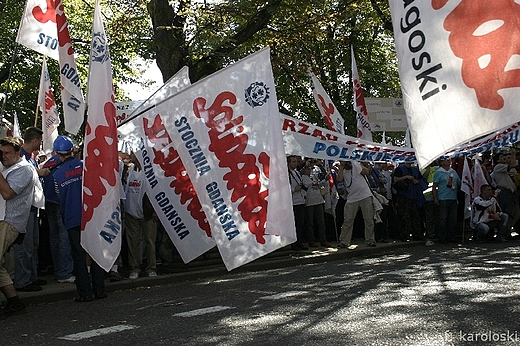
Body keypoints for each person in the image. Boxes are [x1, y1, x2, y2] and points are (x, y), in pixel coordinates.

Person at [52, 136, 106, 302]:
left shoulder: (57, 174)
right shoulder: (86, 166)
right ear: (72, 150)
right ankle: (100, 290)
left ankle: (85, 292)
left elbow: (58, 196)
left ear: (56, 153)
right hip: (91, 215)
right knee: (95, 252)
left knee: (78, 255)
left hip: (72, 217)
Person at [0, 137, 38, 317]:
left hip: (9, 221)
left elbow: (7, 193)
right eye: (1, 153)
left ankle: (15, 301)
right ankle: (14, 301)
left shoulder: (24, 169)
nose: (3, 157)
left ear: (17, 153)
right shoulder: (7, 168)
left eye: (7, 153)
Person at [15, 127, 48, 292]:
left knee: (33, 244)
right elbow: (20, 174)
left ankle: (32, 276)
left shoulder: (31, 158)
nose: (41, 143)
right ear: (35, 140)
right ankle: (22, 280)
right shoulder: (19, 156)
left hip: (34, 206)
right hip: (24, 208)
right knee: (24, 245)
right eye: (40, 140)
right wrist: (39, 172)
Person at [41, 154, 75, 283]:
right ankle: (64, 272)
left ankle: (58, 269)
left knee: (55, 238)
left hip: (49, 201)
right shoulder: (66, 166)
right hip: (60, 203)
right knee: (63, 238)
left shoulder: (49, 162)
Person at [125, 152, 158, 279]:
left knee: (150, 241)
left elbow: (156, 191)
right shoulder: (128, 171)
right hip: (131, 212)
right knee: (132, 242)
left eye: (133, 154)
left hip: (147, 212)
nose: (130, 155)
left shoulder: (150, 172)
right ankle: (134, 268)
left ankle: (151, 267)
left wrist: (155, 210)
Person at [336, 161, 376, 248]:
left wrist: (356, 163)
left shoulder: (356, 165)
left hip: (365, 195)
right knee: (348, 220)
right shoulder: (343, 170)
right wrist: (342, 167)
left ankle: (370, 240)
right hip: (352, 198)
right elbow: (339, 179)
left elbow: (366, 172)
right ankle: (344, 241)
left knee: (368, 219)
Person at [393, 162, 428, 242]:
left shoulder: (415, 170)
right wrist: (406, 177)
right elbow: (395, 179)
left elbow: (421, 179)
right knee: (404, 216)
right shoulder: (399, 169)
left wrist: (416, 181)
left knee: (415, 216)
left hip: (414, 195)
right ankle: (405, 235)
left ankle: (417, 235)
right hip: (403, 196)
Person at [301, 164, 330, 247]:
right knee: (310, 223)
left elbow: (320, 184)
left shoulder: (313, 176)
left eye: (310, 168)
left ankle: (323, 240)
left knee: (321, 222)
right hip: (309, 202)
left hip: (319, 200)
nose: (309, 170)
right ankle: (311, 240)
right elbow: (305, 187)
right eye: (307, 168)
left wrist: (325, 179)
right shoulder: (302, 177)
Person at [433, 157, 461, 243]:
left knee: (452, 219)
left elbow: (459, 183)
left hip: (453, 198)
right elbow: (434, 187)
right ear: (441, 163)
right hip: (443, 198)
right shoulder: (438, 172)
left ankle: (451, 236)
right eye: (446, 160)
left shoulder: (453, 172)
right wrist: (435, 198)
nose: (448, 161)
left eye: (449, 160)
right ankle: (442, 237)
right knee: (443, 219)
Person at [287, 155, 308, 251]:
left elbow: (302, 186)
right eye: (293, 162)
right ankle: (294, 244)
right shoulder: (286, 174)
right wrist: (294, 189)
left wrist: (304, 196)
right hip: (293, 202)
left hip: (300, 201)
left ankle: (299, 242)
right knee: (294, 224)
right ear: (288, 163)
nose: (295, 163)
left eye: (296, 161)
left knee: (301, 224)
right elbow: (284, 189)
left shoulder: (297, 173)